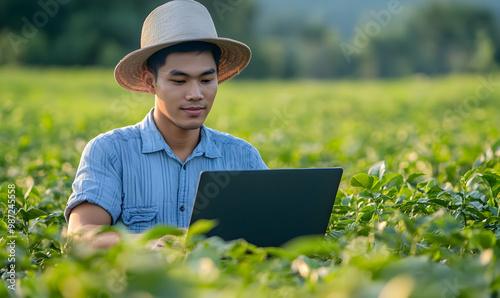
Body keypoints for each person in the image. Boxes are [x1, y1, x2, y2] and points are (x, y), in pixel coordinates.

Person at [64, 0, 267, 248]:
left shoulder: (243, 157)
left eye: (206, 80)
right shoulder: (110, 152)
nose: (195, 94)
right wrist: (155, 242)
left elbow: (273, 232)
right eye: (180, 81)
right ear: (151, 82)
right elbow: (80, 237)